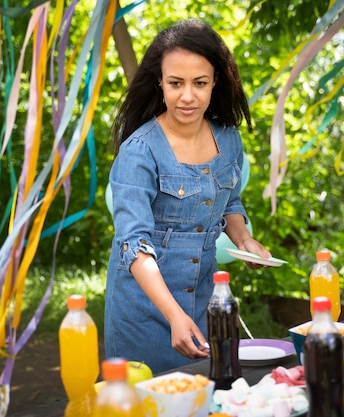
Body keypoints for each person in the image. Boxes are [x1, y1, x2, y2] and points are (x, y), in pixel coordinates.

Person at [104, 19, 272, 374]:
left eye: (200, 83)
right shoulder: (139, 151)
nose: (187, 96)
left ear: (215, 83)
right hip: (145, 309)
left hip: (205, 301)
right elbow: (133, 244)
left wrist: (244, 239)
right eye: (176, 83)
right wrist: (173, 315)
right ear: (160, 83)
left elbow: (230, 202)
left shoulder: (228, 139)